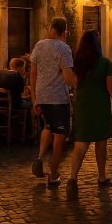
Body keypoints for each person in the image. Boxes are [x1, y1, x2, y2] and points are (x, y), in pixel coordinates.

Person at [66, 31, 112, 201]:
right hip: (99, 104)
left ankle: (72, 178)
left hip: (82, 104)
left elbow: (73, 82)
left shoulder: (78, 62)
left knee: (81, 142)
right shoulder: (104, 63)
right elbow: (111, 87)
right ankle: (102, 176)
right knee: (101, 142)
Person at [30, 17, 77, 186]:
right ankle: (54, 171)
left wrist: (35, 99)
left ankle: (40, 157)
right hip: (58, 98)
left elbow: (33, 73)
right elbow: (67, 76)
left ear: (51, 28)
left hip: (42, 96)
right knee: (60, 134)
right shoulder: (64, 48)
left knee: (48, 126)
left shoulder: (39, 45)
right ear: (65, 31)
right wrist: (77, 85)